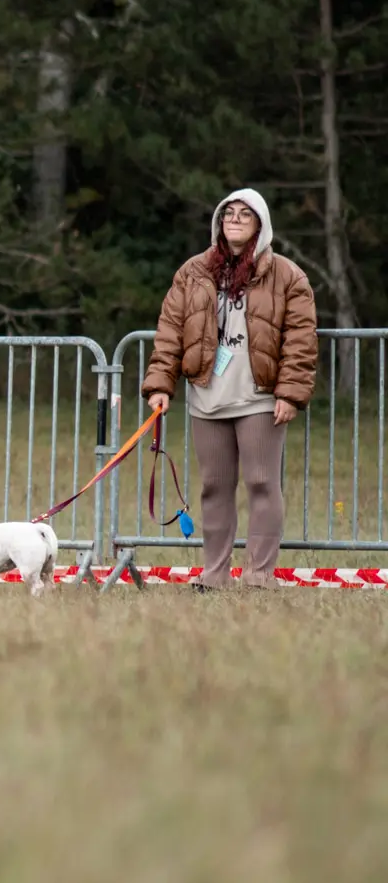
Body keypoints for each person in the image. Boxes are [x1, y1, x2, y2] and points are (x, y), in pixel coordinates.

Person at [142, 188, 317, 591]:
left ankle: (259, 577)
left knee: (261, 482)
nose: (235, 219)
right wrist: (160, 384)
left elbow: (300, 340)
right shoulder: (193, 272)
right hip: (207, 395)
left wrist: (290, 393)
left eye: (245, 214)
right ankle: (214, 576)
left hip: (259, 397)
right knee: (213, 487)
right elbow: (170, 331)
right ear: (219, 222)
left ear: (261, 224)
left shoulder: (288, 276)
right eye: (228, 214)